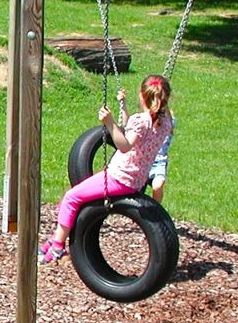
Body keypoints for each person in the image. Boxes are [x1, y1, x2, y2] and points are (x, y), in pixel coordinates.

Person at [39, 75, 175, 265]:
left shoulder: (141, 121)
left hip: (119, 178)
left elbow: (125, 145)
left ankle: (58, 247)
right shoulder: (166, 122)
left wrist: (109, 123)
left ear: (142, 95)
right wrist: (124, 105)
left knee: (71, 198)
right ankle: (54, 239)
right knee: (76, 198)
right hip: (137, 180)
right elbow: (131, 129)